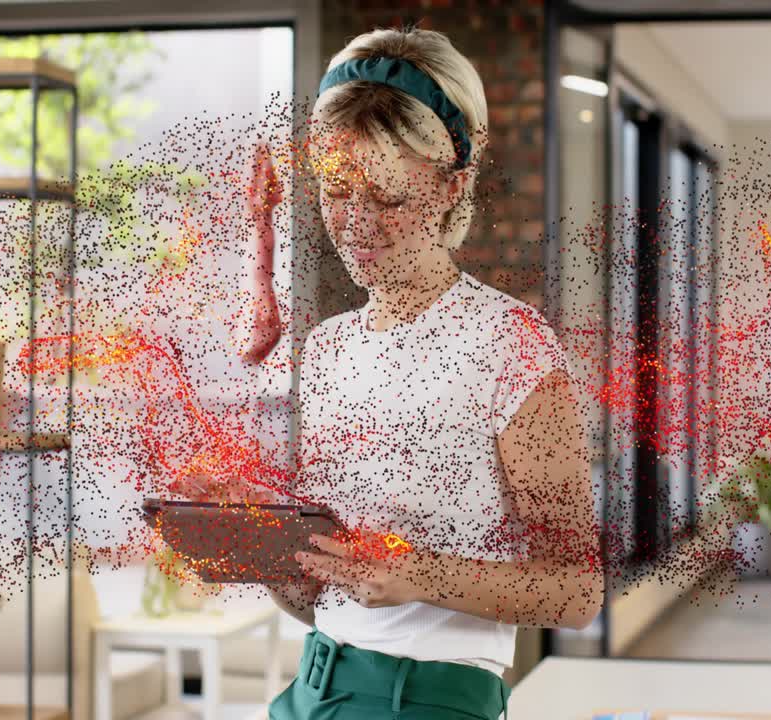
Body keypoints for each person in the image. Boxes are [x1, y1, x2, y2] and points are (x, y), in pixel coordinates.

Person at [184, 26, 602, 720]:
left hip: (426, 701)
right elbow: (322, 601)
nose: (356, 224)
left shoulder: (509, 345)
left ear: (451, 187)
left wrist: (421, 575)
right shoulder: (327, 350)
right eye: (337, 192)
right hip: (312, 687)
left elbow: (577, 592)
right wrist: (259, 544)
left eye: (388, 197)